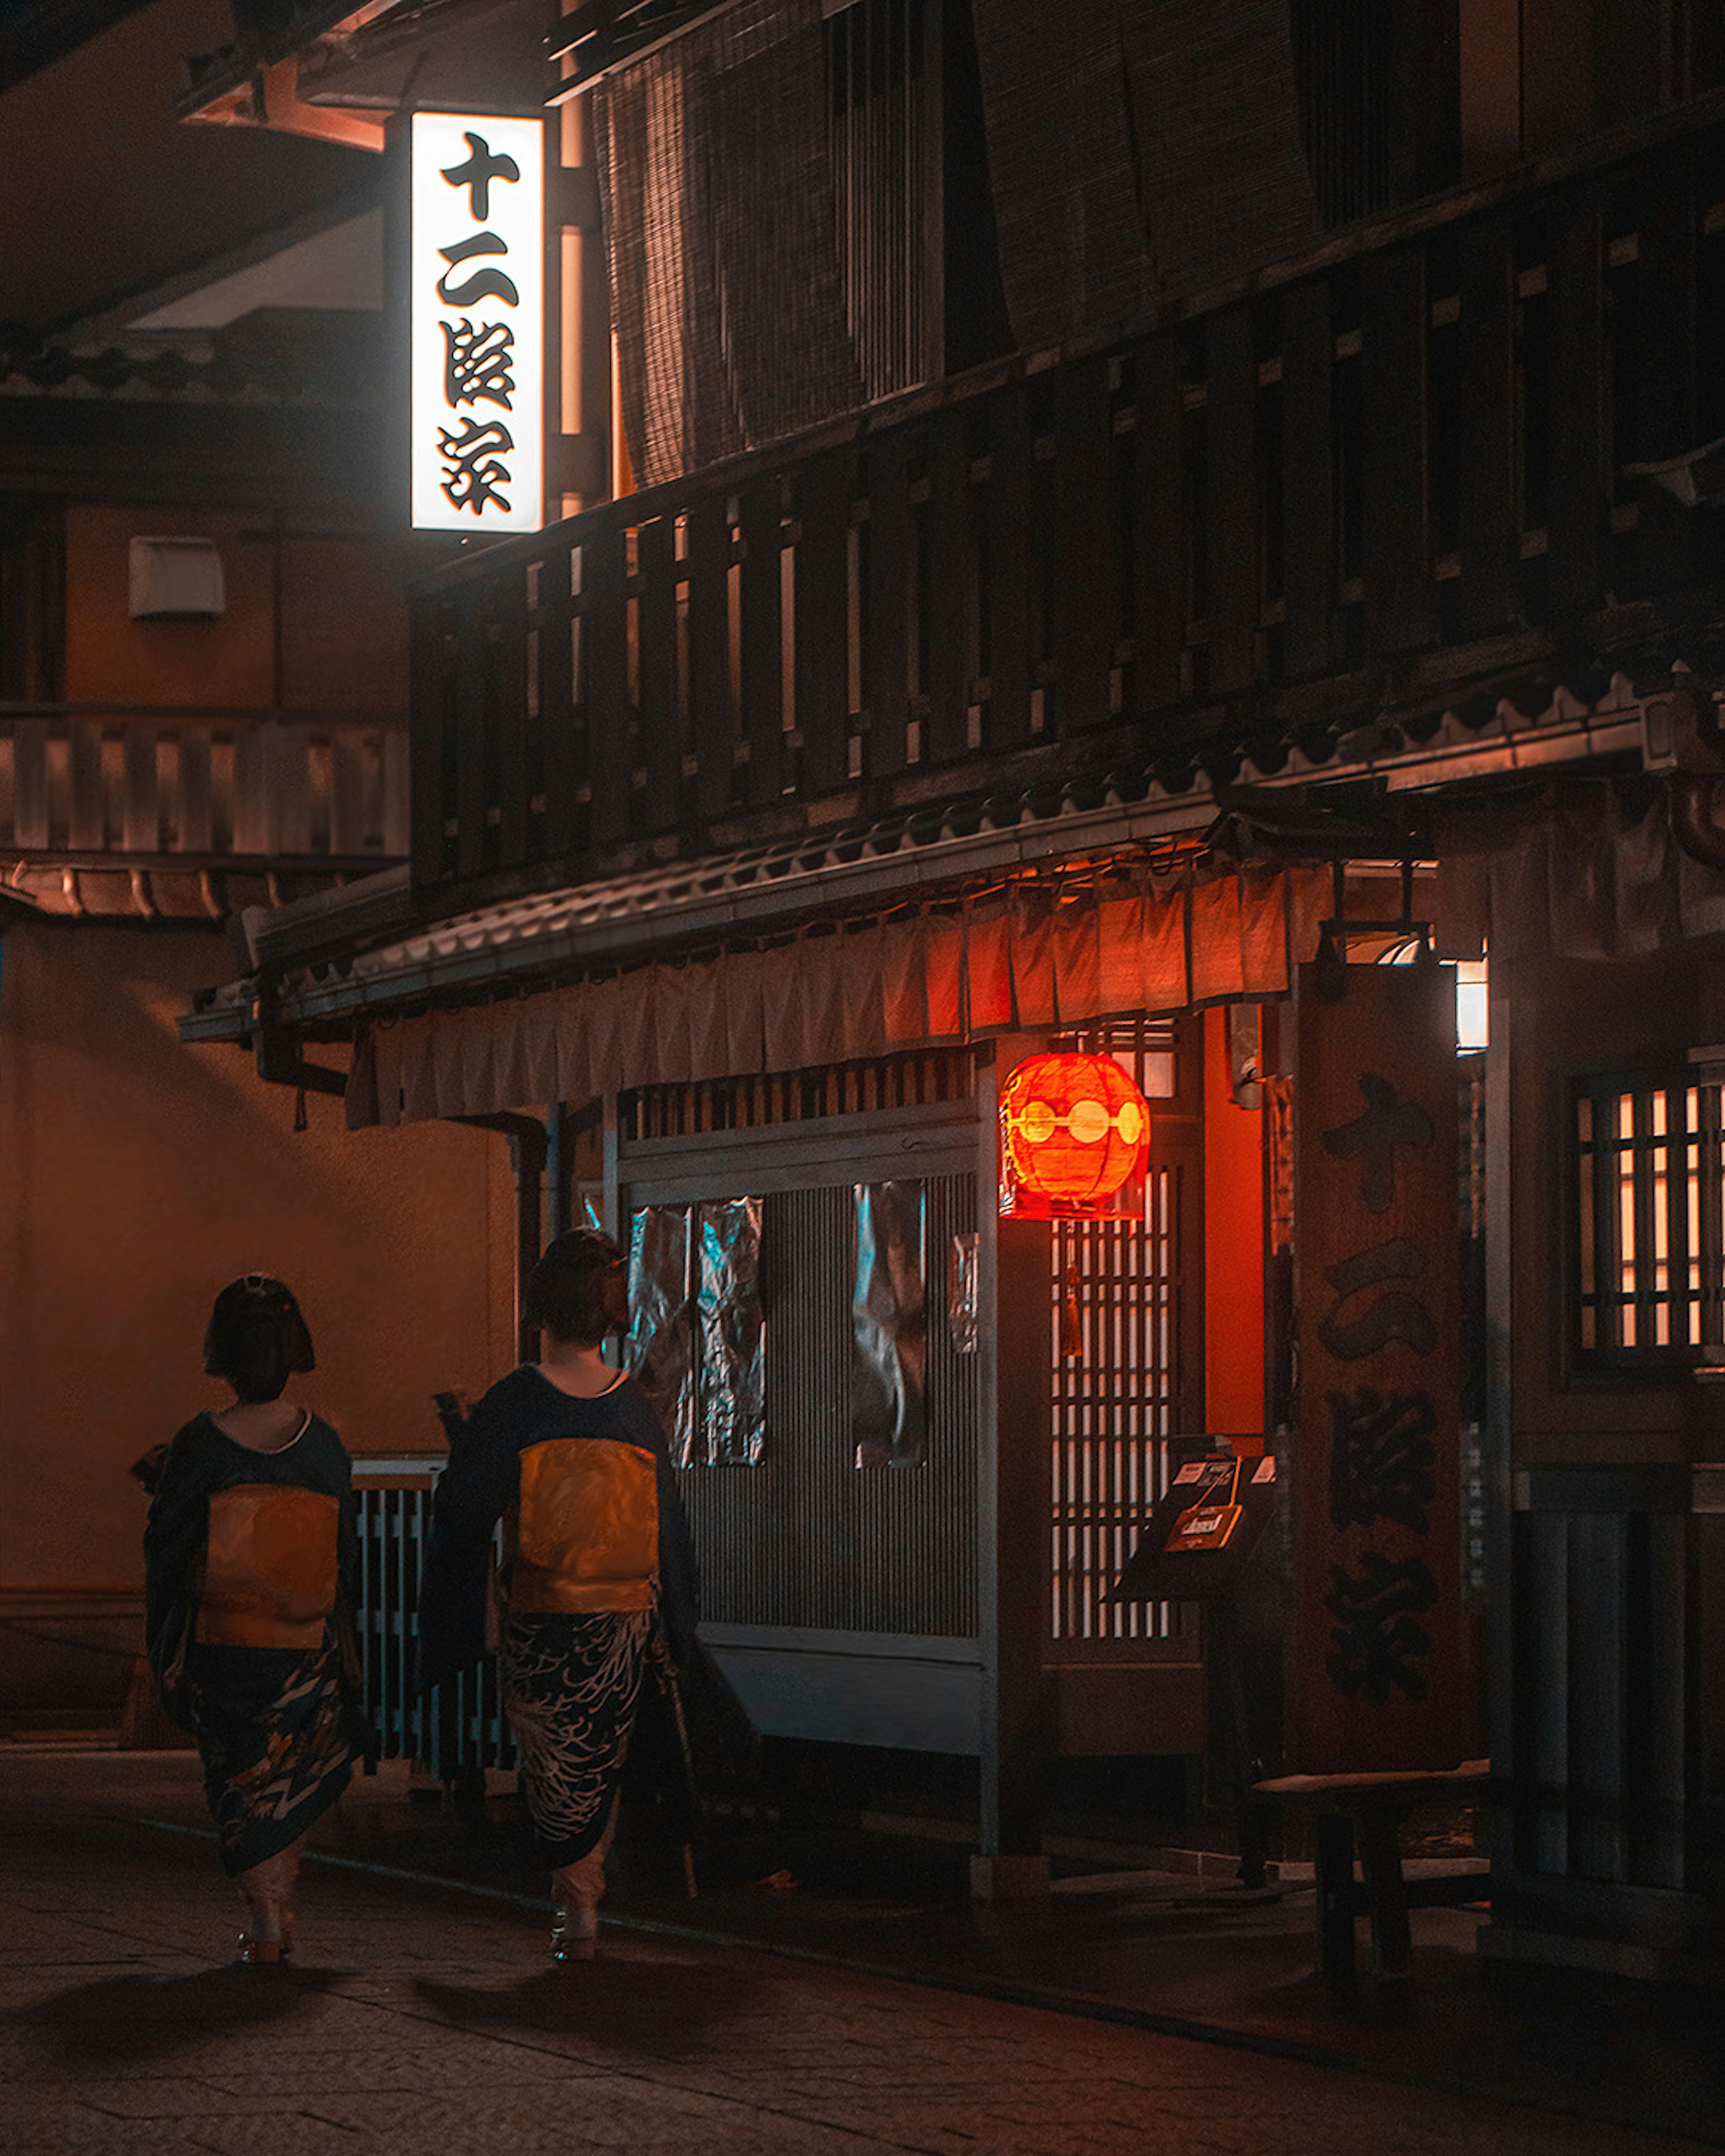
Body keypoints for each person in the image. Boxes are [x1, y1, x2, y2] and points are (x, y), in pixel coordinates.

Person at [417, 1228, 699, 1961]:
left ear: (543, 1310)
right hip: (624, 1626)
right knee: (599, 1759)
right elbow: (667, 1522)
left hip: (546, 1624)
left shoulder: (514, 1404)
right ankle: (584, 1901)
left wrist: (450, 1622)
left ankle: (576, 1903)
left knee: (555, 1758)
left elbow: (462, 1514)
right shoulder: (633, 1407)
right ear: (609, 1310)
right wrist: (681, 1619)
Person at [143, 1275, 367, 1964]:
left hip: (225, 1650)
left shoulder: (199, 1446)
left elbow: (167, 1548)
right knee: (291, 1776)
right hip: (303, 1653)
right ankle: (276, 1906)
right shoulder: (322, 1445)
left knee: (239, 1778)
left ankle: (265, 1914)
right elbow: (345, 1552)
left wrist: (168, 1636)